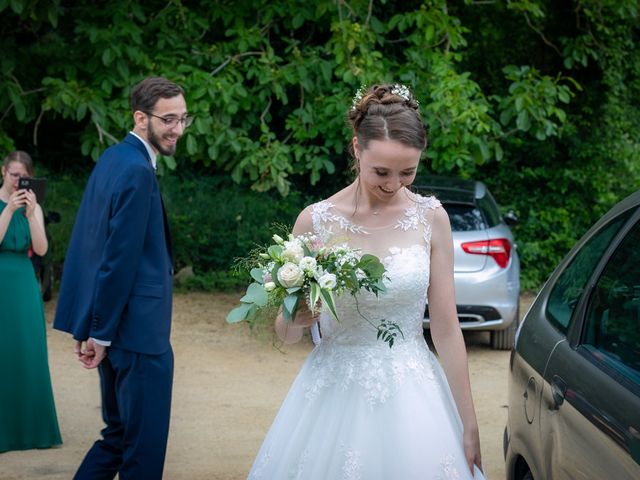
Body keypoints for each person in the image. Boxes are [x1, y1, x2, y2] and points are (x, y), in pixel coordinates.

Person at [248, 84, 486, 479]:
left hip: (413, 390)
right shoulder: (315, 220)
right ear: (357, 148)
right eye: (381, 172)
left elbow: (446, 329)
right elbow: (286, 334)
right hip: (331, 392)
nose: (394, 184)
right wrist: (297, 316)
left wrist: (469, 421)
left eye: (407, 172)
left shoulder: (432, 218)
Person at [54, 76, 189, 479]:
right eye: (168, 119)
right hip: (138, 336)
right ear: (140, 117)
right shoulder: (136, 171)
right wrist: (100, 331)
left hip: (114, 330)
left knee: (117, 437)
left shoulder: (113, 159)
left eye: (183, 119)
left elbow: (89, 248)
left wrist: (94, 327)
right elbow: (115, 259)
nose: (177, 129)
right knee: (142, 454)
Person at [0, 151, 62, 453]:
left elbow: (40, 248)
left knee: (28, 350)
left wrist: (30, 214)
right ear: (3, 172)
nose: (17, 182)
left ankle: (33, 430)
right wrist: (8, 211)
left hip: (24, 281)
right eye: (13, 175)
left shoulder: (32, 207)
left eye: (22, 178)